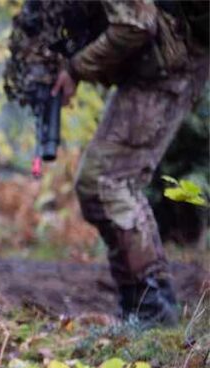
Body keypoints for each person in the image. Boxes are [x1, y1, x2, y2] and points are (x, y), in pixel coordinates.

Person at [51, 0, 209, 325]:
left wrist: (76, 67)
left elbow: (135, 25)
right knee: (113, 182)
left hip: (166, 68)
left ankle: (150, 309)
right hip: (165, 65)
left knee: (105, 183)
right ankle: (152, 304)